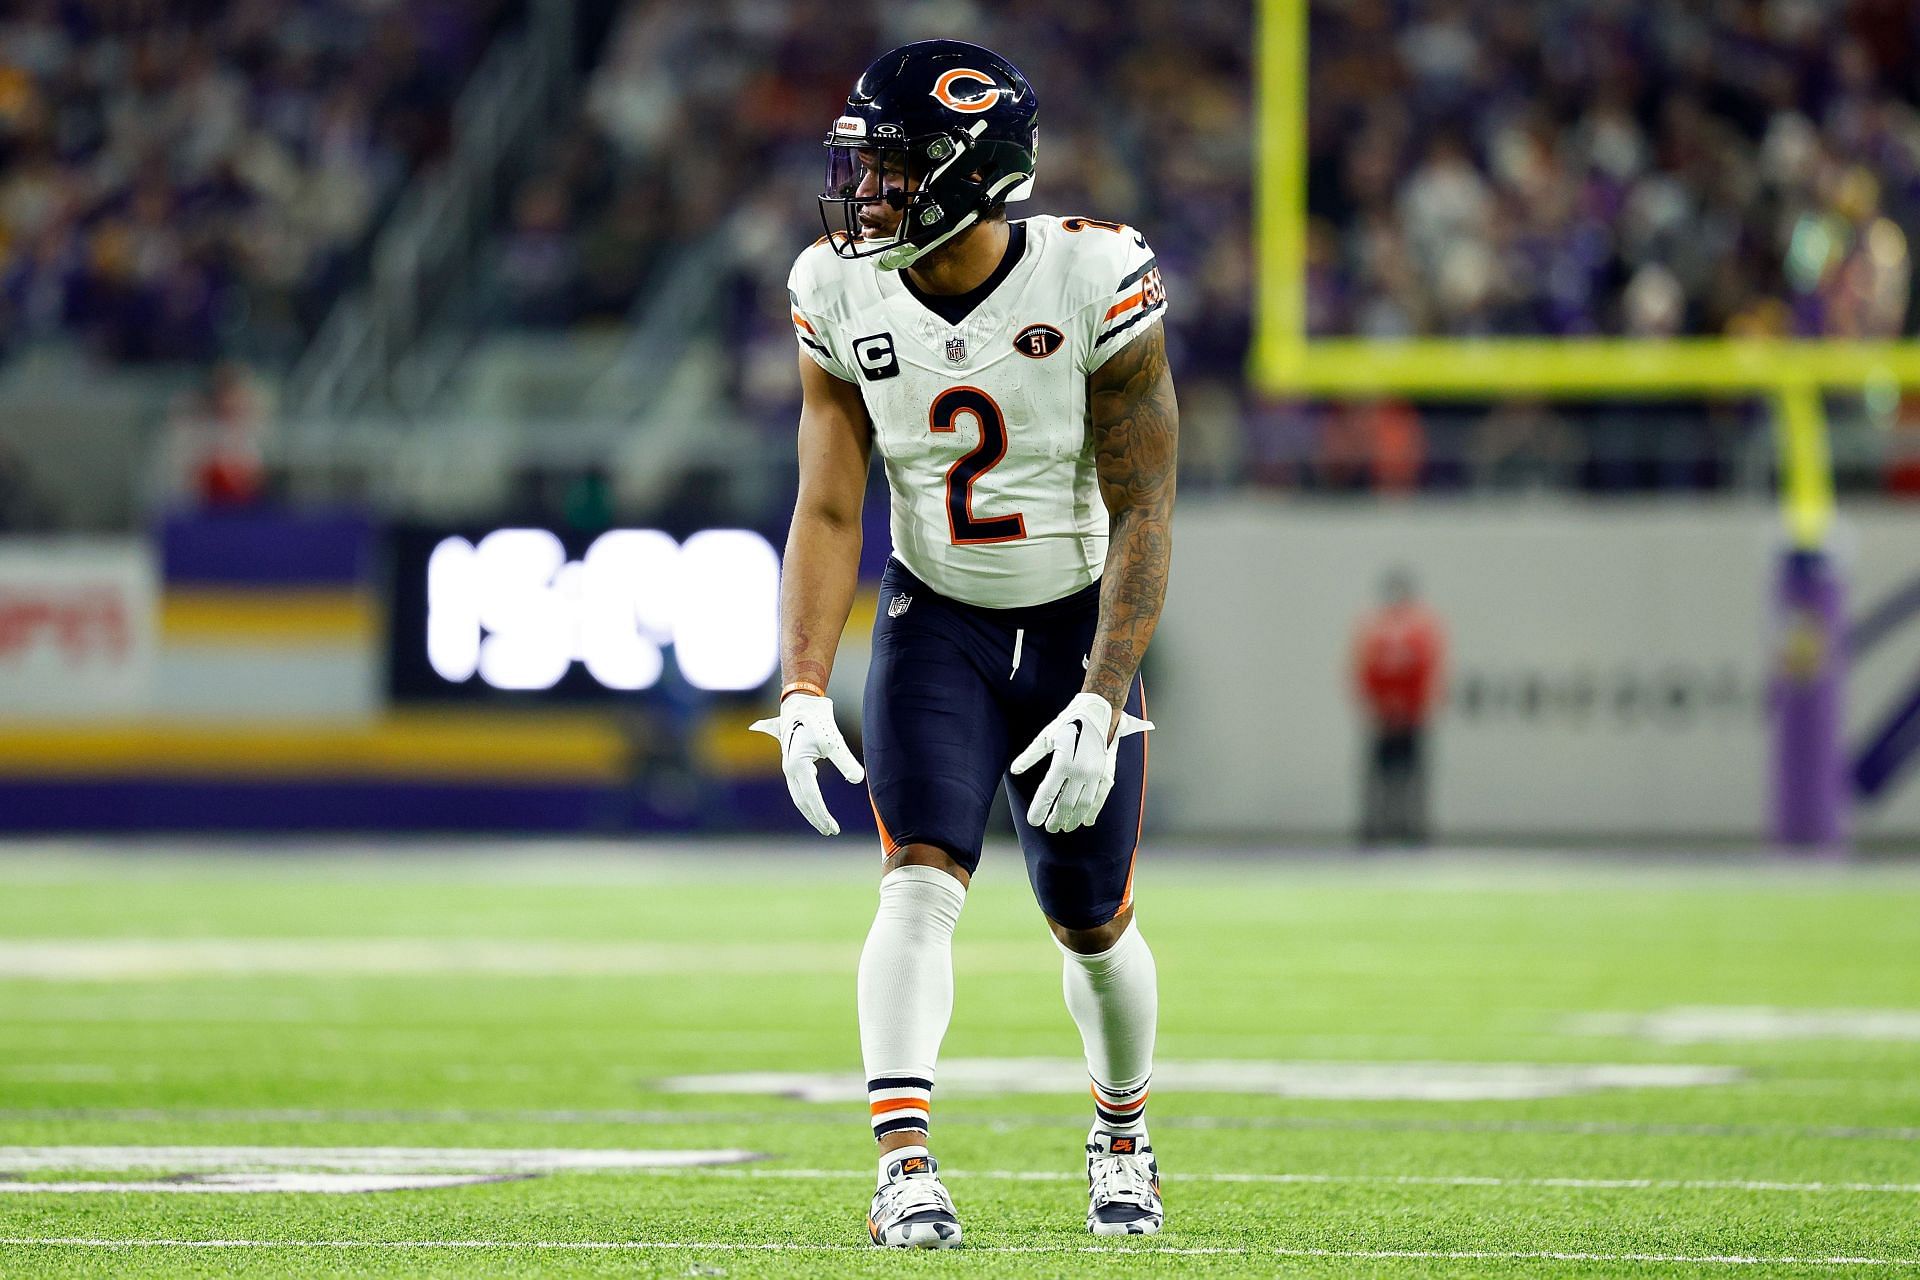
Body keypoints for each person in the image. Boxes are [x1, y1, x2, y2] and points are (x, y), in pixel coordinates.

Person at [749, 40, 1178, 1248]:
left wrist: (1103, 689)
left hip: (1073, 621)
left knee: (1093, 923)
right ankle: (903, 1165)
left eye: (891, 170)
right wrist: (800, 682)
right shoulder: (837, 289)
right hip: (934, 614)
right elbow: (831, 505)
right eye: (865, 168)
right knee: (919, 880)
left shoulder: (1094, 276)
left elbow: (1146, 501)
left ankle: (1122, 1131)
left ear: (971, 174)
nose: (868, 194)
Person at [1352, 568, 1446, 845]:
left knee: (1410, 774)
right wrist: (1379, 706)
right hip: (1385, 716)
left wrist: (1412, 706)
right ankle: (1378, 825)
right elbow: (1364, 670)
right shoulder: (1375, 628)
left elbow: (1427, 670)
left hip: (1409, 716)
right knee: (1381, 775)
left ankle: (1410, 825)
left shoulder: (1418, 629)